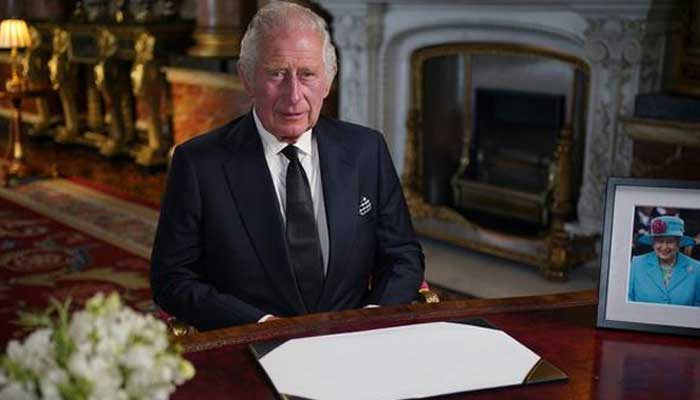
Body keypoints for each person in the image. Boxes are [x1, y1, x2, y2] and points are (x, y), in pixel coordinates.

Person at [150, 2, 425, 331]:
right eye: (276, 73)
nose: (293, 95)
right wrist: (259, 325)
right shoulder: (198, 164)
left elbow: (402, 254)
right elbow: (172, 279)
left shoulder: (367, 149)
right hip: (252, 344)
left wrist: (372, 316)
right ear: (247, 78)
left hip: (355, 340)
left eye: (307, 74)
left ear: (328, 80)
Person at [628, 215, 700, 306]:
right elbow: (628, 299)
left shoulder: (696, 268)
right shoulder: (637, 264)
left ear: (679, 243)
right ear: (653, 243)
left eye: (670, 241)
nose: (664, 247)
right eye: (659, 241)